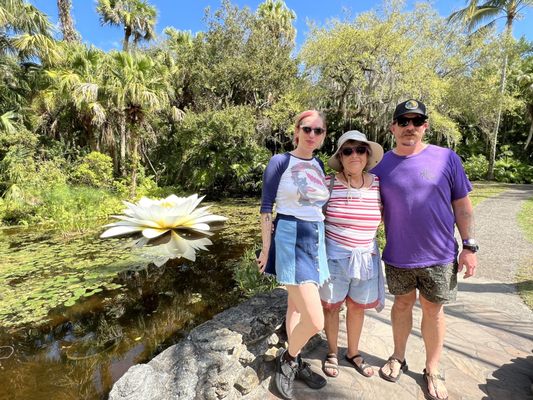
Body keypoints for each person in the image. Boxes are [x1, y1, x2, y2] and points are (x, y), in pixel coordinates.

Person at [371, 99, 478, 400]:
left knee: (433, 311)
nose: (410, 127)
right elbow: (370, 210)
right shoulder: (380, 168)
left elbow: (462, 205)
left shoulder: (447, 159)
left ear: (425, 126)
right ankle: (398, 356)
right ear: (392, 127)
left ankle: (432, 368)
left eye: (416, 122)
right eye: (403, 121)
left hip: (440, 255)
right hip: (398, 255)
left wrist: (469, 246)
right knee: (402, 305)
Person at [257, 110, 330, 400]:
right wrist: (266, 250)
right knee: (316, 320)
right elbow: (266, 208)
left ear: (323, 135)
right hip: (289, 236)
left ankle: (295, 360)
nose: (312, 135)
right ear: (297, 130)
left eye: (319, 130)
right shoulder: (280, 162)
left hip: (315, 236)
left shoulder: (319, 164)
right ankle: (288, 359)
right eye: (307, 129)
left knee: (295, 308)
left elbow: (317, 207)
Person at [319, 130, 385, 379]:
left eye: (360, 149)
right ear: (340, 156)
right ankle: (333, 352)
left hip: (366, 258)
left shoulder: (378, 184)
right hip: (334, 258)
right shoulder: (328, 183)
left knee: (357, 308)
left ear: (367, 155)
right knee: (331, 307)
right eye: (348, 150)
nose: (354, 155)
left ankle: (353, 352)